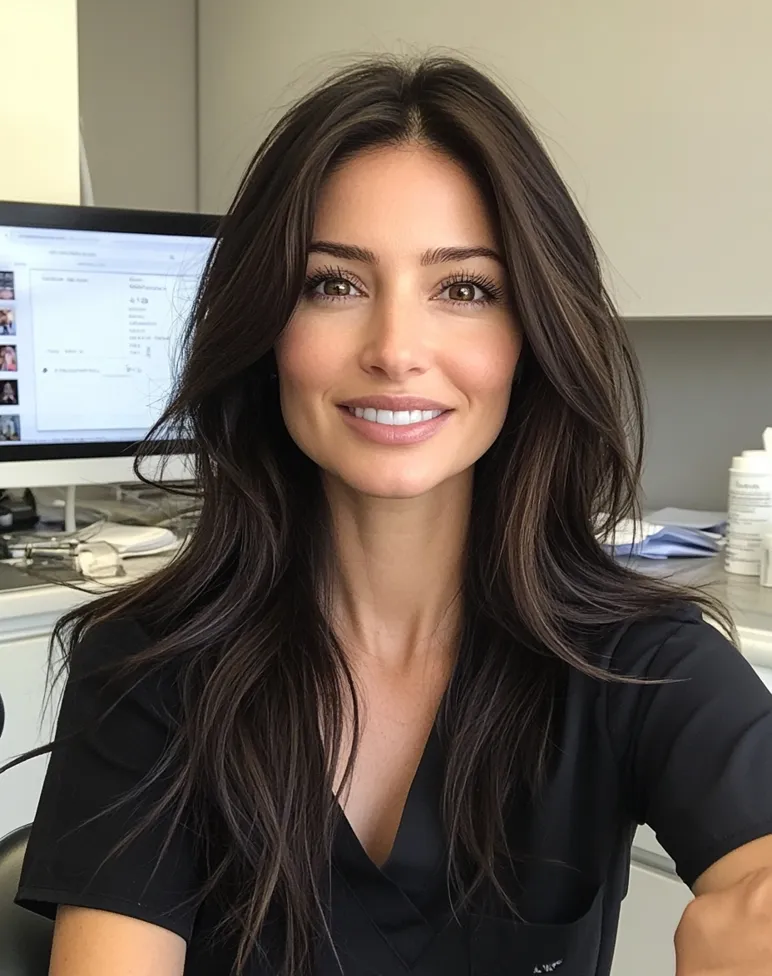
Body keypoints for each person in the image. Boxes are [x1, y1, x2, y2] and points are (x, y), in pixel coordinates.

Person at [7, 57, 772, 976]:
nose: (396, 351)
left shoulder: (639, 664)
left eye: (463, 289)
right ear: (266, 327)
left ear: (529, 336)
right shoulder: (151, 668)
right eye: (334, 283)